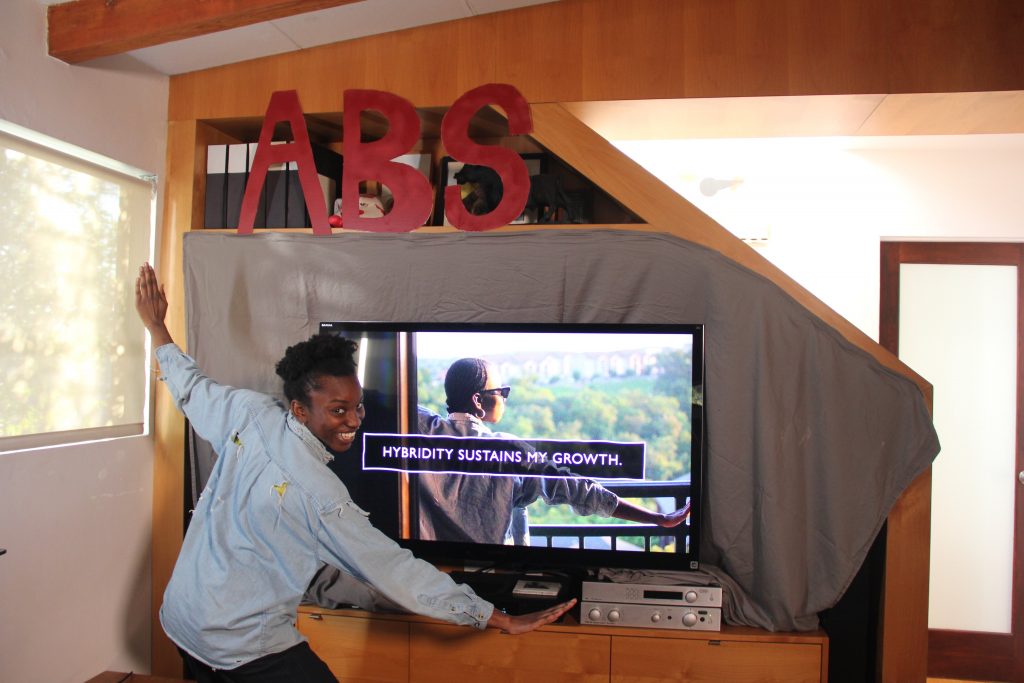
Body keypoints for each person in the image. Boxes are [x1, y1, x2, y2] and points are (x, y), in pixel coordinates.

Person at [134, 264, 574, 682]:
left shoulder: (249, 412)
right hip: (241, 642)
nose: (354, 420)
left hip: (182, 618)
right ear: (300, 410)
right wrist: (495, 617)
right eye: (338, 410)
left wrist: (157, 328)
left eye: (357, 406)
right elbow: (393, 569)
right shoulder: (319, 493)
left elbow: (191, 387)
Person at [415, 357, 691, 545]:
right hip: (492, 573)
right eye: (502, 391)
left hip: (432, 568)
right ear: (478, 400)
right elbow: (578, 490)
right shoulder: (509, 451)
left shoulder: (421, 429)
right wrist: (656, 518)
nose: (505, 398)